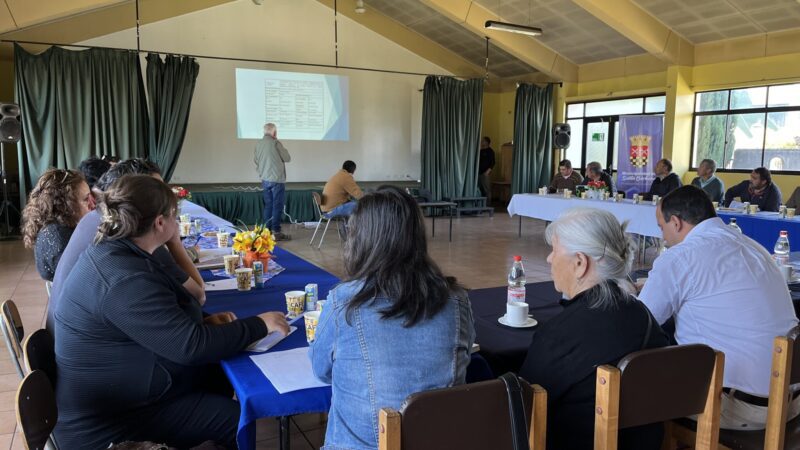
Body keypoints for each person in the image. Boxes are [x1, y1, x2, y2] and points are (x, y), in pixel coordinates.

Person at [53, 174, 290, 449]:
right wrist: (260, 324)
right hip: (108, 426)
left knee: (217, 374)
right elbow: (192, 347)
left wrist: (203, 321)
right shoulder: (123, 278)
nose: (178, 223)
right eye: (175, 216)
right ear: (160, 223)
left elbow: (164, 315)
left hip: (121, 395)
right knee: (235, 420)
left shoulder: (116, 251)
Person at [309, 187, 475, 450]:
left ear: (360, 239)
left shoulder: (344, 302)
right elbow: (464, 358)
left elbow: (321, 371)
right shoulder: (455, 300)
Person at [639, 185, 800, 430]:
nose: (663, 237)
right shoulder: (755, 247)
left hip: (738, 408)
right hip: (790, 401)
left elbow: (641, 321)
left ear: (676, 222)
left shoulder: (679, 257)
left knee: (635, 388)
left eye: (662, 228)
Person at [518, 208, 668, 450]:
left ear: (580, 263)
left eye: (554, 250)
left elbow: (524, 405)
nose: (548, 259)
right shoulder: (644, 316)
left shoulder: (562, 332)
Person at [48, 158, 205, 333]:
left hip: (65, 336)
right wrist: (174, 241)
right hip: (91, 348)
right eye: (156, 192)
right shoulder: (133, 233)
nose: (165, 199)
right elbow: (198, 295)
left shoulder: (95, 219)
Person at [22, 168, 95, 281]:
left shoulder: (64, 225)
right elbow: (85, 279)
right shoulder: (57, 235)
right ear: (65, 205)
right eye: (86, 199)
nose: (93, 204)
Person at [254, 122, 291, 240]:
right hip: (276, 180)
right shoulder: (276, 143)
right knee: (277, 205)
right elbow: (287, 158)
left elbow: (256, 160)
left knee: (268, 205)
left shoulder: (258, 144)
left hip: (265, 179)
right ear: (274, 132)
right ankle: (276, 232)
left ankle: (266, 231)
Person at [477, 136, 495, 202]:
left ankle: (488, 204)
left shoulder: (490, 151)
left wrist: (487, 172)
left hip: (486, 174)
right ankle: (481, 204)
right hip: (479, 173)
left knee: (487, 189)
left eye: (483, 141)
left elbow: (493, 163)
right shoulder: (481, 151)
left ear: (487, 142)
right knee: (480, 189)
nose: (482, 142)